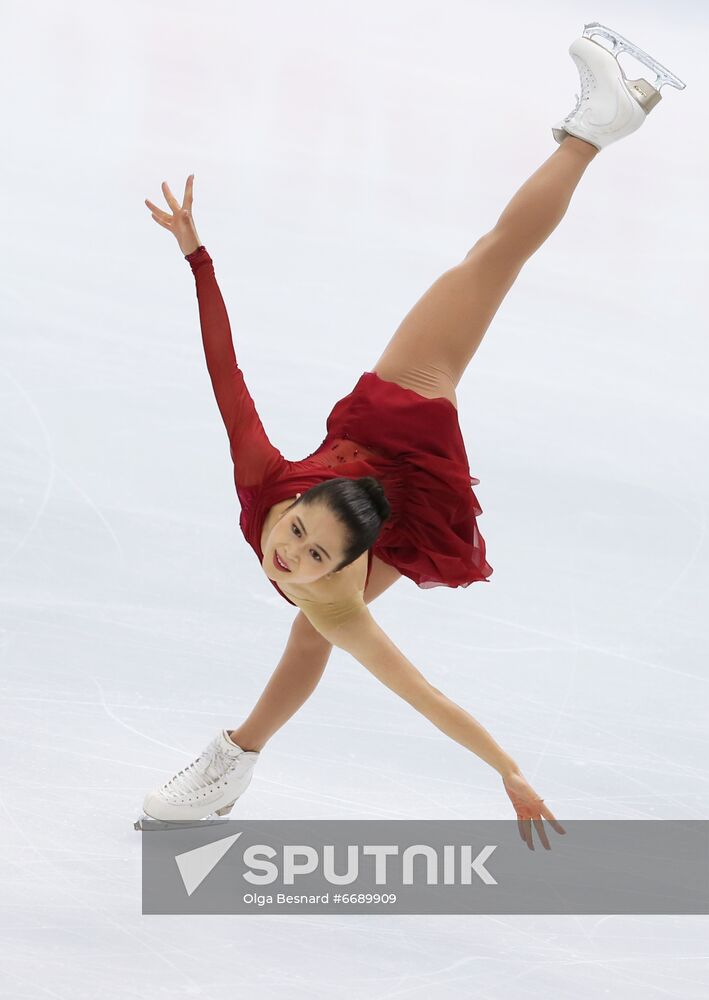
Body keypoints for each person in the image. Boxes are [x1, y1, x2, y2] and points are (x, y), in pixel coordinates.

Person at [137, 22, 685, 849]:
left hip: (401, 417)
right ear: (301, 497)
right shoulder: (283, 507)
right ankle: (591, 133)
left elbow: (422, 695)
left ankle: (594, 129)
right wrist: (196, 256)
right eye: (298, 537)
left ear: (353, 557)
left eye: (311, 555)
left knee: (489, 260)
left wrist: (506, 770)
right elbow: (228, 378)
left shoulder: (337, 595)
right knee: (486, 261)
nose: (287, 556)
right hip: (386, 450)